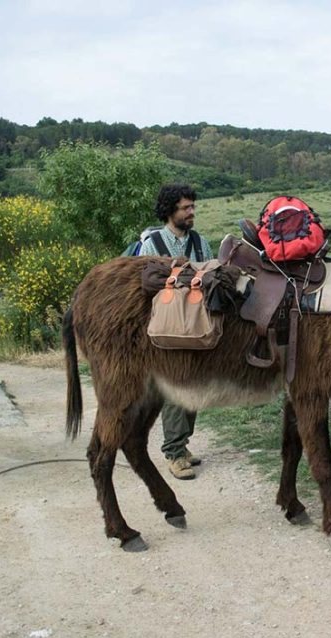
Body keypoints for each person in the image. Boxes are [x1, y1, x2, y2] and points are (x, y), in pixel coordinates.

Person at [137, 183, 214, 480]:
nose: (192, 212)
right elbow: (142, 287)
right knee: (176, 389)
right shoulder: (151, 244)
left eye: (193, 206)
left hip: (196, 326)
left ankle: (182, 444)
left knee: (195, 388)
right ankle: (174, 453)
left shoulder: (200, 242)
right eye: (186, 208)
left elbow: (210, 278)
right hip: (165, 327)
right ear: (171, 211)